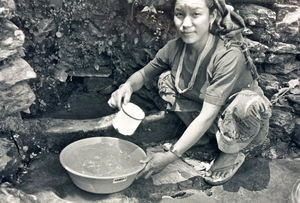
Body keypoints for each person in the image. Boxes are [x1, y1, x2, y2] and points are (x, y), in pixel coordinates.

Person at [108, 0, 272, 185]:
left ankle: (230, 153)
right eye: (180, 14)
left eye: (195, 14)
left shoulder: (228, 55)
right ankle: (202, 139)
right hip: (209, 112)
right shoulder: (175, 47)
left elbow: (207, 116)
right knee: (166, 81)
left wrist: (170, 156)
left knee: (247, 105)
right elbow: (145, 73)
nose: (185, 24)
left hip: (238, 120)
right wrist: (127, 86)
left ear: (213, 16)